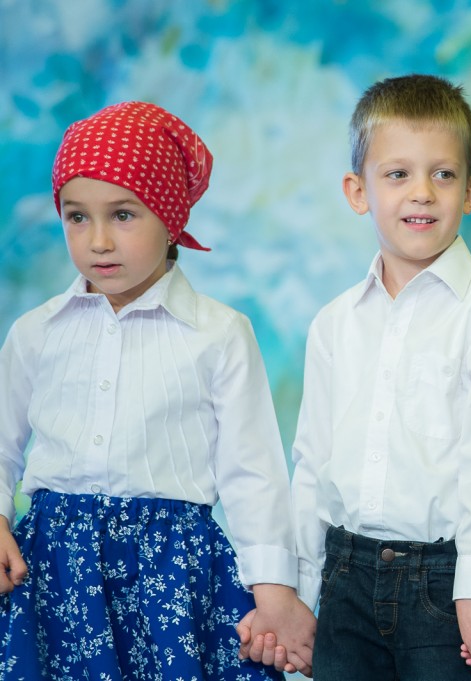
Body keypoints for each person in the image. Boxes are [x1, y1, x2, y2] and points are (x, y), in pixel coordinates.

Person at [0, 101, 315, 678]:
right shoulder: (35, 333)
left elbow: (252, 473)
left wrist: (274, 592)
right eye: (76, 217)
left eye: (123, 215)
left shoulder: (219, 334)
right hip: (55, 570)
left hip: (171, 571)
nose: (98, 240)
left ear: (170, 217)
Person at [249, 74, 471, 679]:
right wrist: (301, 589)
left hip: (444, 585)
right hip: (344, 581)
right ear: (358, 191)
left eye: (443, 174)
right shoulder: (335, 323)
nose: (422, 193)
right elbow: (313, 464)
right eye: (398, 174)